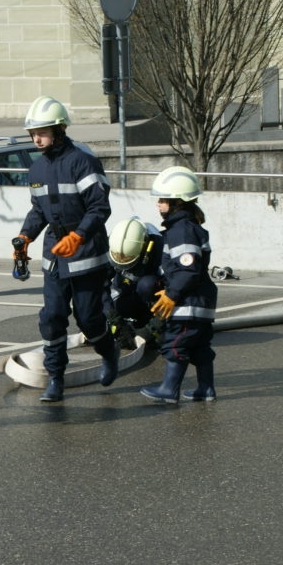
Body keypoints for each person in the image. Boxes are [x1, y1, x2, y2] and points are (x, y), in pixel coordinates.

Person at [12, 95, 120, 402]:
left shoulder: (83, 162)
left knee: (88, 318)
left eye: (43, 131)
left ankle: (108, 351)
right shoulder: (36, 170)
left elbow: (99, 208)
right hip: (54, 256)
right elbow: (38, 211)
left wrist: (79, 236)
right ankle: (55, 378)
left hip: (86, 254)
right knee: (52, 316)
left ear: (59, 130)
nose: (37, 138)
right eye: (33, 133)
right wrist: (25, 237)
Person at [141, 166, 218, 404]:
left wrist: (172, 294)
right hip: (201, 302)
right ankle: (205, 389)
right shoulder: (189, 227)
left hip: (187, 305)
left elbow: (188, 269)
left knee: (176, 344)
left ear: (177, 202)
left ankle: (169, 390)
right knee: (199, 348)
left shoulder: (181, 231)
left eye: (163, 200)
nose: (159, 204)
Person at [105, 217, 165, 349]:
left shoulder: (160, 248)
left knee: (147, 284)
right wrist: (114, 319)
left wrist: (150, 330)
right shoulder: (115, 244)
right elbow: (99, 286)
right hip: (127, 291)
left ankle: (150, 321)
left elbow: (173, 295)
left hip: (152, 296)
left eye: (128, 259)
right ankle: (133, 321)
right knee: (116, 304)